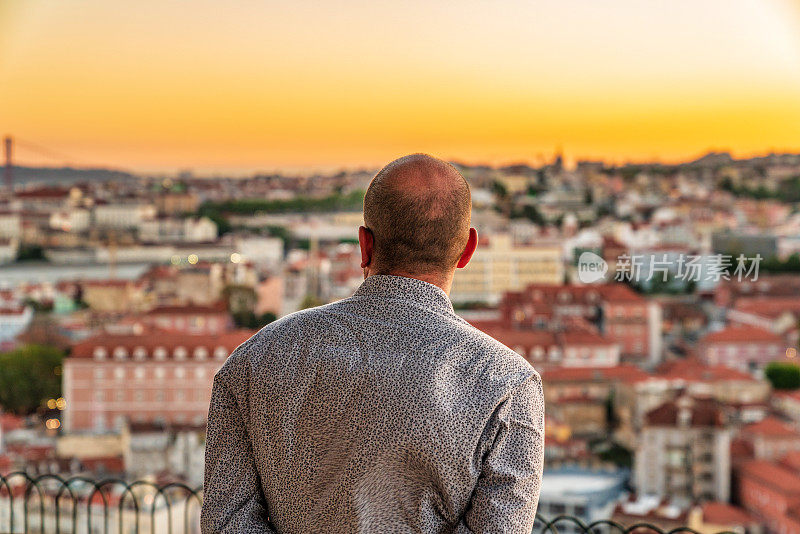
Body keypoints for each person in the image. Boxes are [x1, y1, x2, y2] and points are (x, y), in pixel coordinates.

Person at [201, 154, 544, 533]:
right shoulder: (507, 384)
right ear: (467, 250)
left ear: (364, 245)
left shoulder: (255, 360)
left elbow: (227, 522)